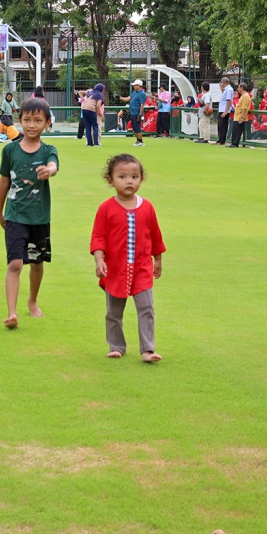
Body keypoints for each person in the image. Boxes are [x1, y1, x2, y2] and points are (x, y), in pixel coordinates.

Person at [90, 154, 166, 363]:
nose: (129, 181)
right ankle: (116, 346)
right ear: (110, 180)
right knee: (113, 312)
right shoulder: (106, 208)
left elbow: (155, 235)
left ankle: (148, 349)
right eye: (122, 176)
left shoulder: (147, 207)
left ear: (141, 179)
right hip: (115, 270)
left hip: (142, 268)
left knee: (146, 308)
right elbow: (98, 237)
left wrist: (157, 259)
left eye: (134, 176)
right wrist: (99, 260)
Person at [0, 98, 59, 330]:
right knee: (15, 263)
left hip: (39, 218)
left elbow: (54, 165)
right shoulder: (10, 150)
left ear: (47, 123)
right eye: (26, 120)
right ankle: (12, 313)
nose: (31, 125)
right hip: (14, 215)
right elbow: (4, 181)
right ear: (19, 120)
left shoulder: (48, 150)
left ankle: (32, 301)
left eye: (37, 120)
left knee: (36, 263)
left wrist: (49, 170)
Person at [229, 82, 253, 147]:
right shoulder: (243, 96)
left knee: (237, 131)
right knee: (235, 131)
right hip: (237, 116)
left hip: (240, 117)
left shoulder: (245, 96)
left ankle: (235, 143)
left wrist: (242, 117)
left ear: (242, 88)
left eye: (239, 87)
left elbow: (244, 108)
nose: (238, 89)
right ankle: (233, 143)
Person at [124, 79, 147, 147]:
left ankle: (140, 141)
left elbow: (142, 104)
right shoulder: (134, 92)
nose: (133, 86)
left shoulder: (142, 94)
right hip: (132, 112)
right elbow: (128, 99)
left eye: (135, 85)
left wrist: (140, 114)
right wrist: (119, 97)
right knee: (134, 127)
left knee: (137, 127)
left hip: (137, 112)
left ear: (139, 86)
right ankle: (138, 140)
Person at [215, 77, 234, 145]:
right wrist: (222, 90)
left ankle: (222, 140)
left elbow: (229, 100)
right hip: (222, 109)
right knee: (220, 125)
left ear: (224, 82)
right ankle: (220, 139)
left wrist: (226, 111)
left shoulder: (229, 89)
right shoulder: (226, 89)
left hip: (224, 110)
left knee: (223, 126)